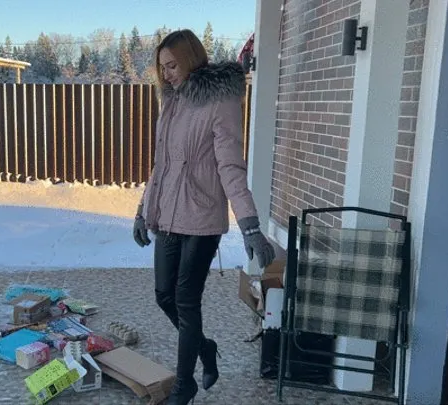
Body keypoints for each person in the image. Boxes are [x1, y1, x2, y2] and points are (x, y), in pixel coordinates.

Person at [132, 29, 275, 405]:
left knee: (185, 299)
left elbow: (230, 165)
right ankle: (205, 348)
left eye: (173, 65)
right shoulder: (172, 101)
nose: (167, 75)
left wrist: (250, 225)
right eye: (162, 68)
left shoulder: (219, 99)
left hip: (202, 217)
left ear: (190, 58)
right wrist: (142, 210)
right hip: (167, 217)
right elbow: (161, 165)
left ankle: (185, 386)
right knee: (164, 295)